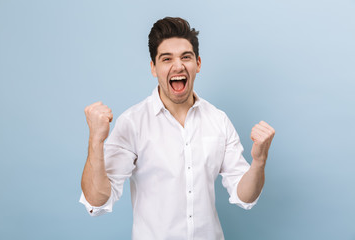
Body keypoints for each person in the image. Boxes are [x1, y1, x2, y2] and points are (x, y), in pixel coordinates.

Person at [80, 17, 275, 240]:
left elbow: (245, 197)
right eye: (166, 59)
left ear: (198, 63)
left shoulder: (218, 120)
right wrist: (95, 141)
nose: (178, 65)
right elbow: (97, 202)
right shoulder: (133, 123)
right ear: (153, 68)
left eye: (186, 57)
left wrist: (259, 162)